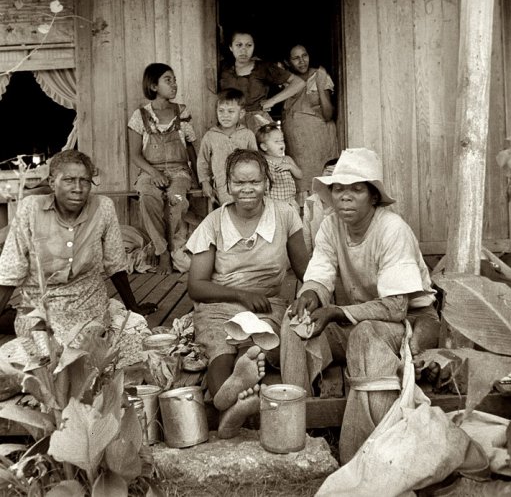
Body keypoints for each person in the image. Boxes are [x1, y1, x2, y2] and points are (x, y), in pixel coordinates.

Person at [280, 147, 440, 464]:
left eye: (357, 188)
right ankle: (297, 433)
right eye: (339, 188)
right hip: (357, 319)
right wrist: (311, 294)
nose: (345, 197)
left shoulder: (391, 228)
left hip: (410, 322)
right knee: (293, 322)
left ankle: (363, 448)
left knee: (365, 335)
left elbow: (396, 308)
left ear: (373, 197)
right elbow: (320, 274)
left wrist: (338, 312)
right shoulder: (330, 226)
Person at [186, 149, 308, 439]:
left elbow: (306, 269)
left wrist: (315, 296)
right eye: (239, 183)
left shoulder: (285, 215)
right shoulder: (214, 223)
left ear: (266, 182)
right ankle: (226, 400)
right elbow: (196, 286)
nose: (247, 189)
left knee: (259, 340)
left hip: (268, 304)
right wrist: (240, 295)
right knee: (219, 342)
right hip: (220, 303)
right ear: (228, 185)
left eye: (254, 181)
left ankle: (229, 407)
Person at [0, 150, 156, 344]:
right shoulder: (31, 209)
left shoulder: (103, 207)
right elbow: (9, 273)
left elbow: (115, 264)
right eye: (69, 180)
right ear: (51, 183)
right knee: (48, 349)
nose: (78, 188)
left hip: (89, 308)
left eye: (85, 180)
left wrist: (134, 307)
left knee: (94, 346)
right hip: (42, 308)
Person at [128, 63, 198, 275]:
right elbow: (135, 155)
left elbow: (192, 149)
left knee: (176, 199)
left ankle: (175, 249)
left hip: (179, 172)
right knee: (149, 196)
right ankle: (162, 252)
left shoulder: (182, 112)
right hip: (149, 171)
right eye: (168, 80)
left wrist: (199, 178)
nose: (174, 84)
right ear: (153, 85)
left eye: (174, 79)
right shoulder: (139, 116)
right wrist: (154, 173)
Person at [282, 44, 339, 205]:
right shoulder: (287, 82)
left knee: (322, 190)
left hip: (319, 144)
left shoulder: (320, 76)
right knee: (302, 192)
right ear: (288, 62)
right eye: (296, 58)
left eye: (304, 55)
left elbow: (328, 114)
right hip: (297, 148)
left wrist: (320, 86)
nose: (301, 61)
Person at [219, 29, 306, 133]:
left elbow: (299, 83)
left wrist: (272, 101)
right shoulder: (223, 69)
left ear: (254, 47)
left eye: (249, 45)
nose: (244, 50)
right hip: (231, 122)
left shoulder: (263, 68)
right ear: (231, 47)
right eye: (239, 45)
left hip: (258, 123)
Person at [197, 88, 257, 206]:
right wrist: (205, 182)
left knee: (246, 209)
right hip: (221, 185)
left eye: (230, 111)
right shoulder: (211, 136)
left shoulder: (247, 135)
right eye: (221, 111)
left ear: (241, 114)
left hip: (245, 183)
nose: (225, 115)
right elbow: (202, 161)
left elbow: (256, 161)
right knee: (229, 210)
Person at [256, 122, 302, 213]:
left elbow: (300, 175)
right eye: (276, 141)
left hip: (290, 202)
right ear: (264, 147)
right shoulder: (263, 162)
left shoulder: (287, 159)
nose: (281, 143)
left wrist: (290, 167)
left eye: (282, 140)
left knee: (293, 225)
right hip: (272, 204)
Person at [302, 158, 337, 256]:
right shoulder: (311, 202)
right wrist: (308, 256)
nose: (330, 176)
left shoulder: (344, 203)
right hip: (318, 256)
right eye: (328, 172)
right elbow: (306, 233)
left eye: (334, 172)